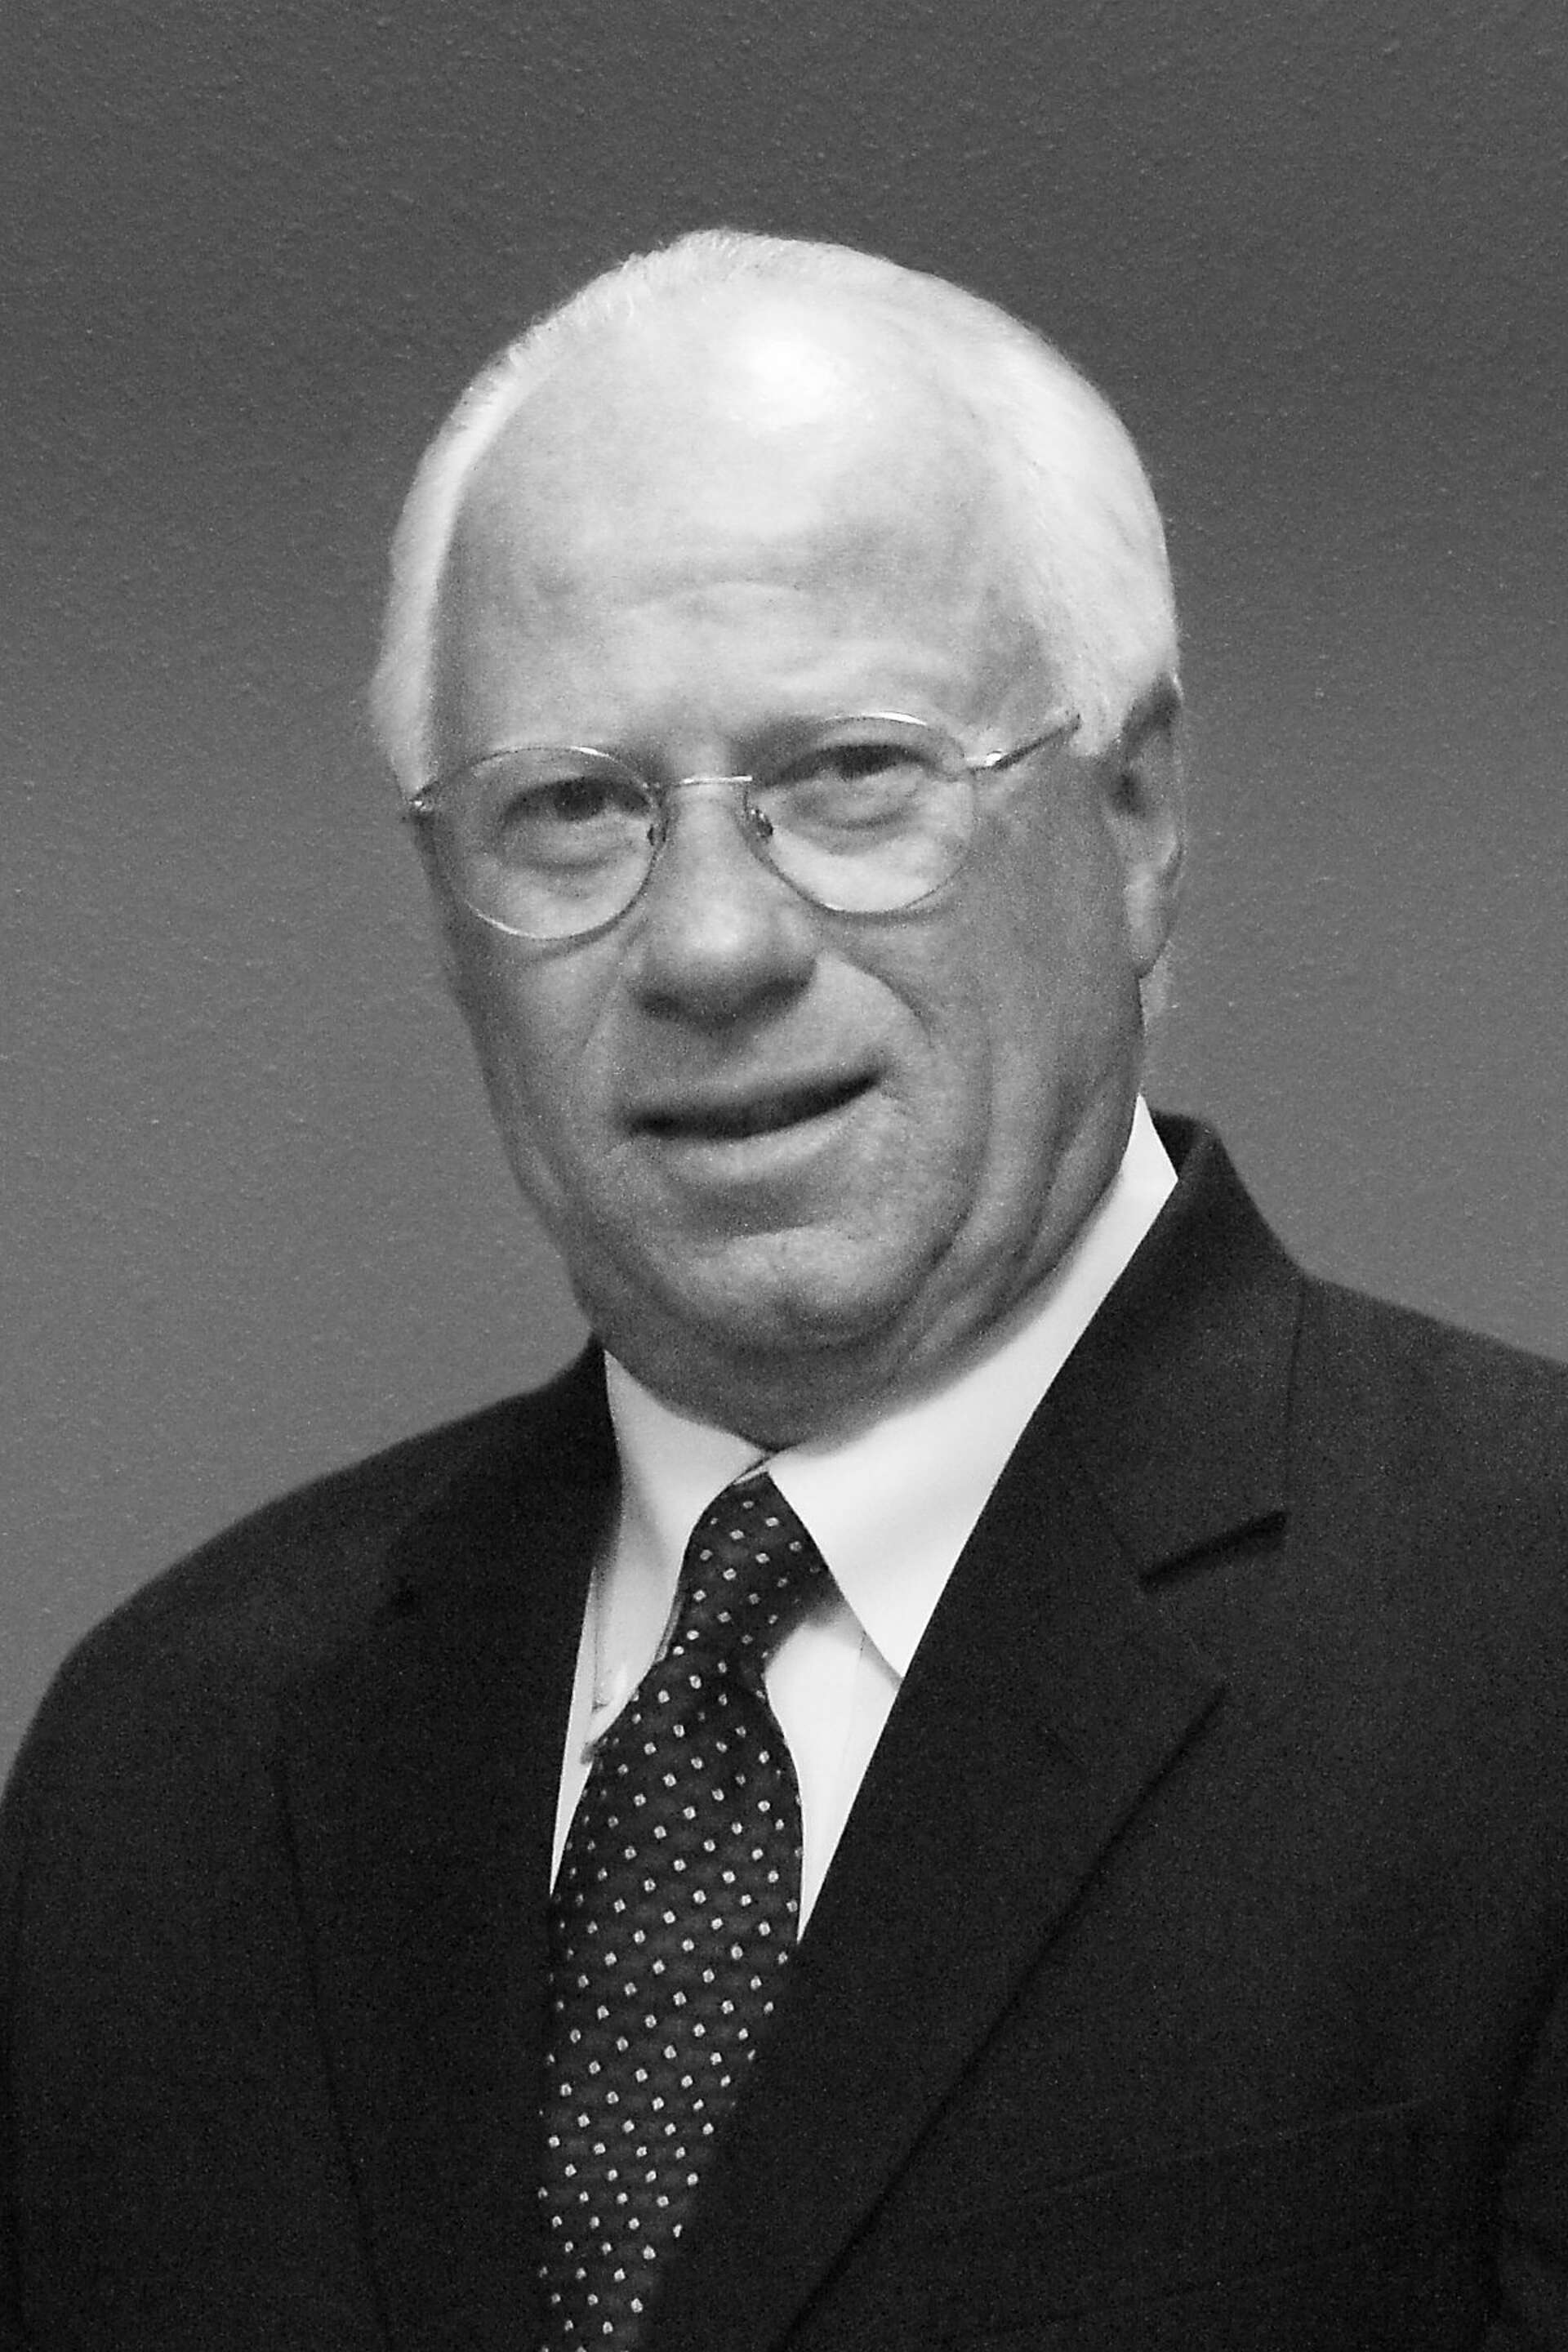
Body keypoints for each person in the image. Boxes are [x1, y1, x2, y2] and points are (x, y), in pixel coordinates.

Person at [2, 229, 1565, 2352]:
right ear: (449, 917)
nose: (713, 947)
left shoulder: (1526, 1653)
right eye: (574, 808)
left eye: (850, 775)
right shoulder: (173, 1770)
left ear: (1134, 817)